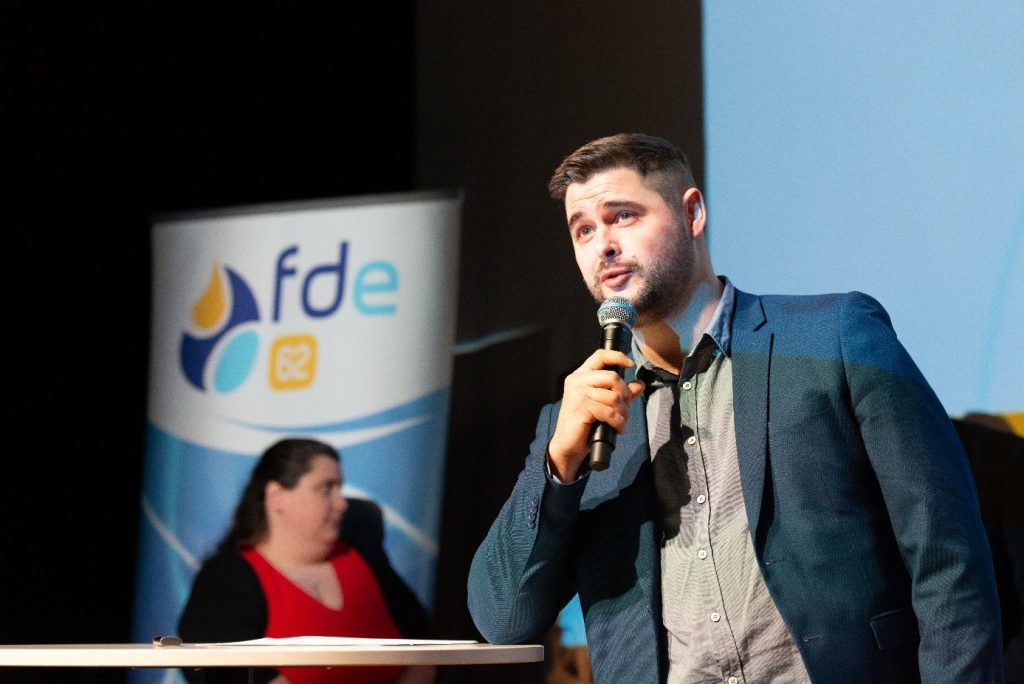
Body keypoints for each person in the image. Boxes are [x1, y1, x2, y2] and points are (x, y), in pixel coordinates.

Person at [467, 133, 1004, 683]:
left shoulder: (835, 338)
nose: (602, 245)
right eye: (583, 230)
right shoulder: (580, 420)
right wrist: (558, 467)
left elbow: (948, 558)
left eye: (622, 216)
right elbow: (503, 619)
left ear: (692, 213)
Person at [179, 437, 436, 684]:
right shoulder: (228, 576)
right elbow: (228, 669)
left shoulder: (365, 559)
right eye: (326, 488)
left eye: (339, 489)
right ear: (277, 497)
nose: (342, 504)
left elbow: (427, 652)